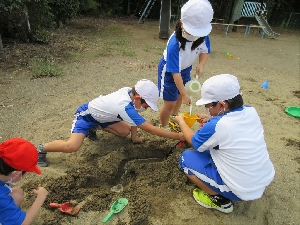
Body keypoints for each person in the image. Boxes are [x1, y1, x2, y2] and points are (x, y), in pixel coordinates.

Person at [175, 74, 275, 213]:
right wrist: (212, 118)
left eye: (208, 105)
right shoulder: (250, 111)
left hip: (239, 189)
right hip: (261, 179)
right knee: (212, 149)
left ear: (222, 104)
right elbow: (231, 125)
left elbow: (194, 141)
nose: (206, 108)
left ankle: (219, 200)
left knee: (186, 158)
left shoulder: (217, 126)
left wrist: (181, 122)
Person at [37, 79, 185, 167]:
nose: (146, 108)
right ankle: (41, 149)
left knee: (124, 132)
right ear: (138, 97)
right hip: (86, 116)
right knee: (72, 146)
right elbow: (151, 129)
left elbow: (133, 117)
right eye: (147, 105)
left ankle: (97, 126)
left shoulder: (131, 94)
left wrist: (134, 137)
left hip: (105, 117)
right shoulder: (124, 106)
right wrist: (178, 135)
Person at [158, 0, 214, 129]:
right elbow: (174, 72)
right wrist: (184, 94)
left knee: (178, 97)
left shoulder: (203, 36)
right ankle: (164, 125)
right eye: (192, 32)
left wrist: (201, 64)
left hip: (185, 69)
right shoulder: (174, 43)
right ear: (182, 22)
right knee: (170, 102)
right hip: (169, 72)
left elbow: (205, 51)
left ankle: (174, 117)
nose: (195, 36)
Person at [0, 138, 48, 224]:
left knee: (17, 194)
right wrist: (41, 197)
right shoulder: (1, 196)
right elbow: (23, 223)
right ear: (16, 174)